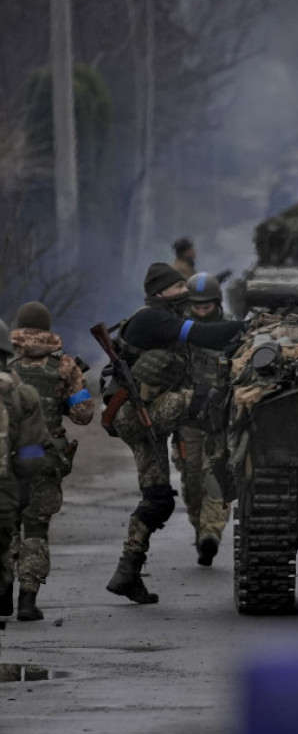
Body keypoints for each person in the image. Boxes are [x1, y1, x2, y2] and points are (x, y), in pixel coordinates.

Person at [103, 263, 245, 604]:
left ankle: (127, 573)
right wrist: (249, 327)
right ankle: (229, 478)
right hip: (140, 414)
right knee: (212, 403)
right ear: (159, 293)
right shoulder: (153, 318)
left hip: (142, 419)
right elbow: (205, 334)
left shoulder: (161, 315)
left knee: (158, 500)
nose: (185, 291)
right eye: (178, 286)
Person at [8, 301, 94, 620]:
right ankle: (27, 600)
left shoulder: (5, 359)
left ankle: (2, 594)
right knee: (36, 525)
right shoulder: (65, 364)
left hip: (8, 453)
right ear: (47, 328)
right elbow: (83, 415)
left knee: (6, 523)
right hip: (42, 454)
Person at [173, 273, 235, 566]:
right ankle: (201, 529)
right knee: (192, 476)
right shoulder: (180, 329)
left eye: (206, 306)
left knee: (217, 477)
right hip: (188, 417)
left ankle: (211, 533)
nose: (201, 311)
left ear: (217, 303)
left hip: (220, 417)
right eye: (196, 306)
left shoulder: (232, 327)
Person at [0, 319, 51, 618]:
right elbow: (31, 452)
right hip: (8, 488)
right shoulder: (22, 394)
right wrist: (19, 482)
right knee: (27, 530)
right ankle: (23, 599)